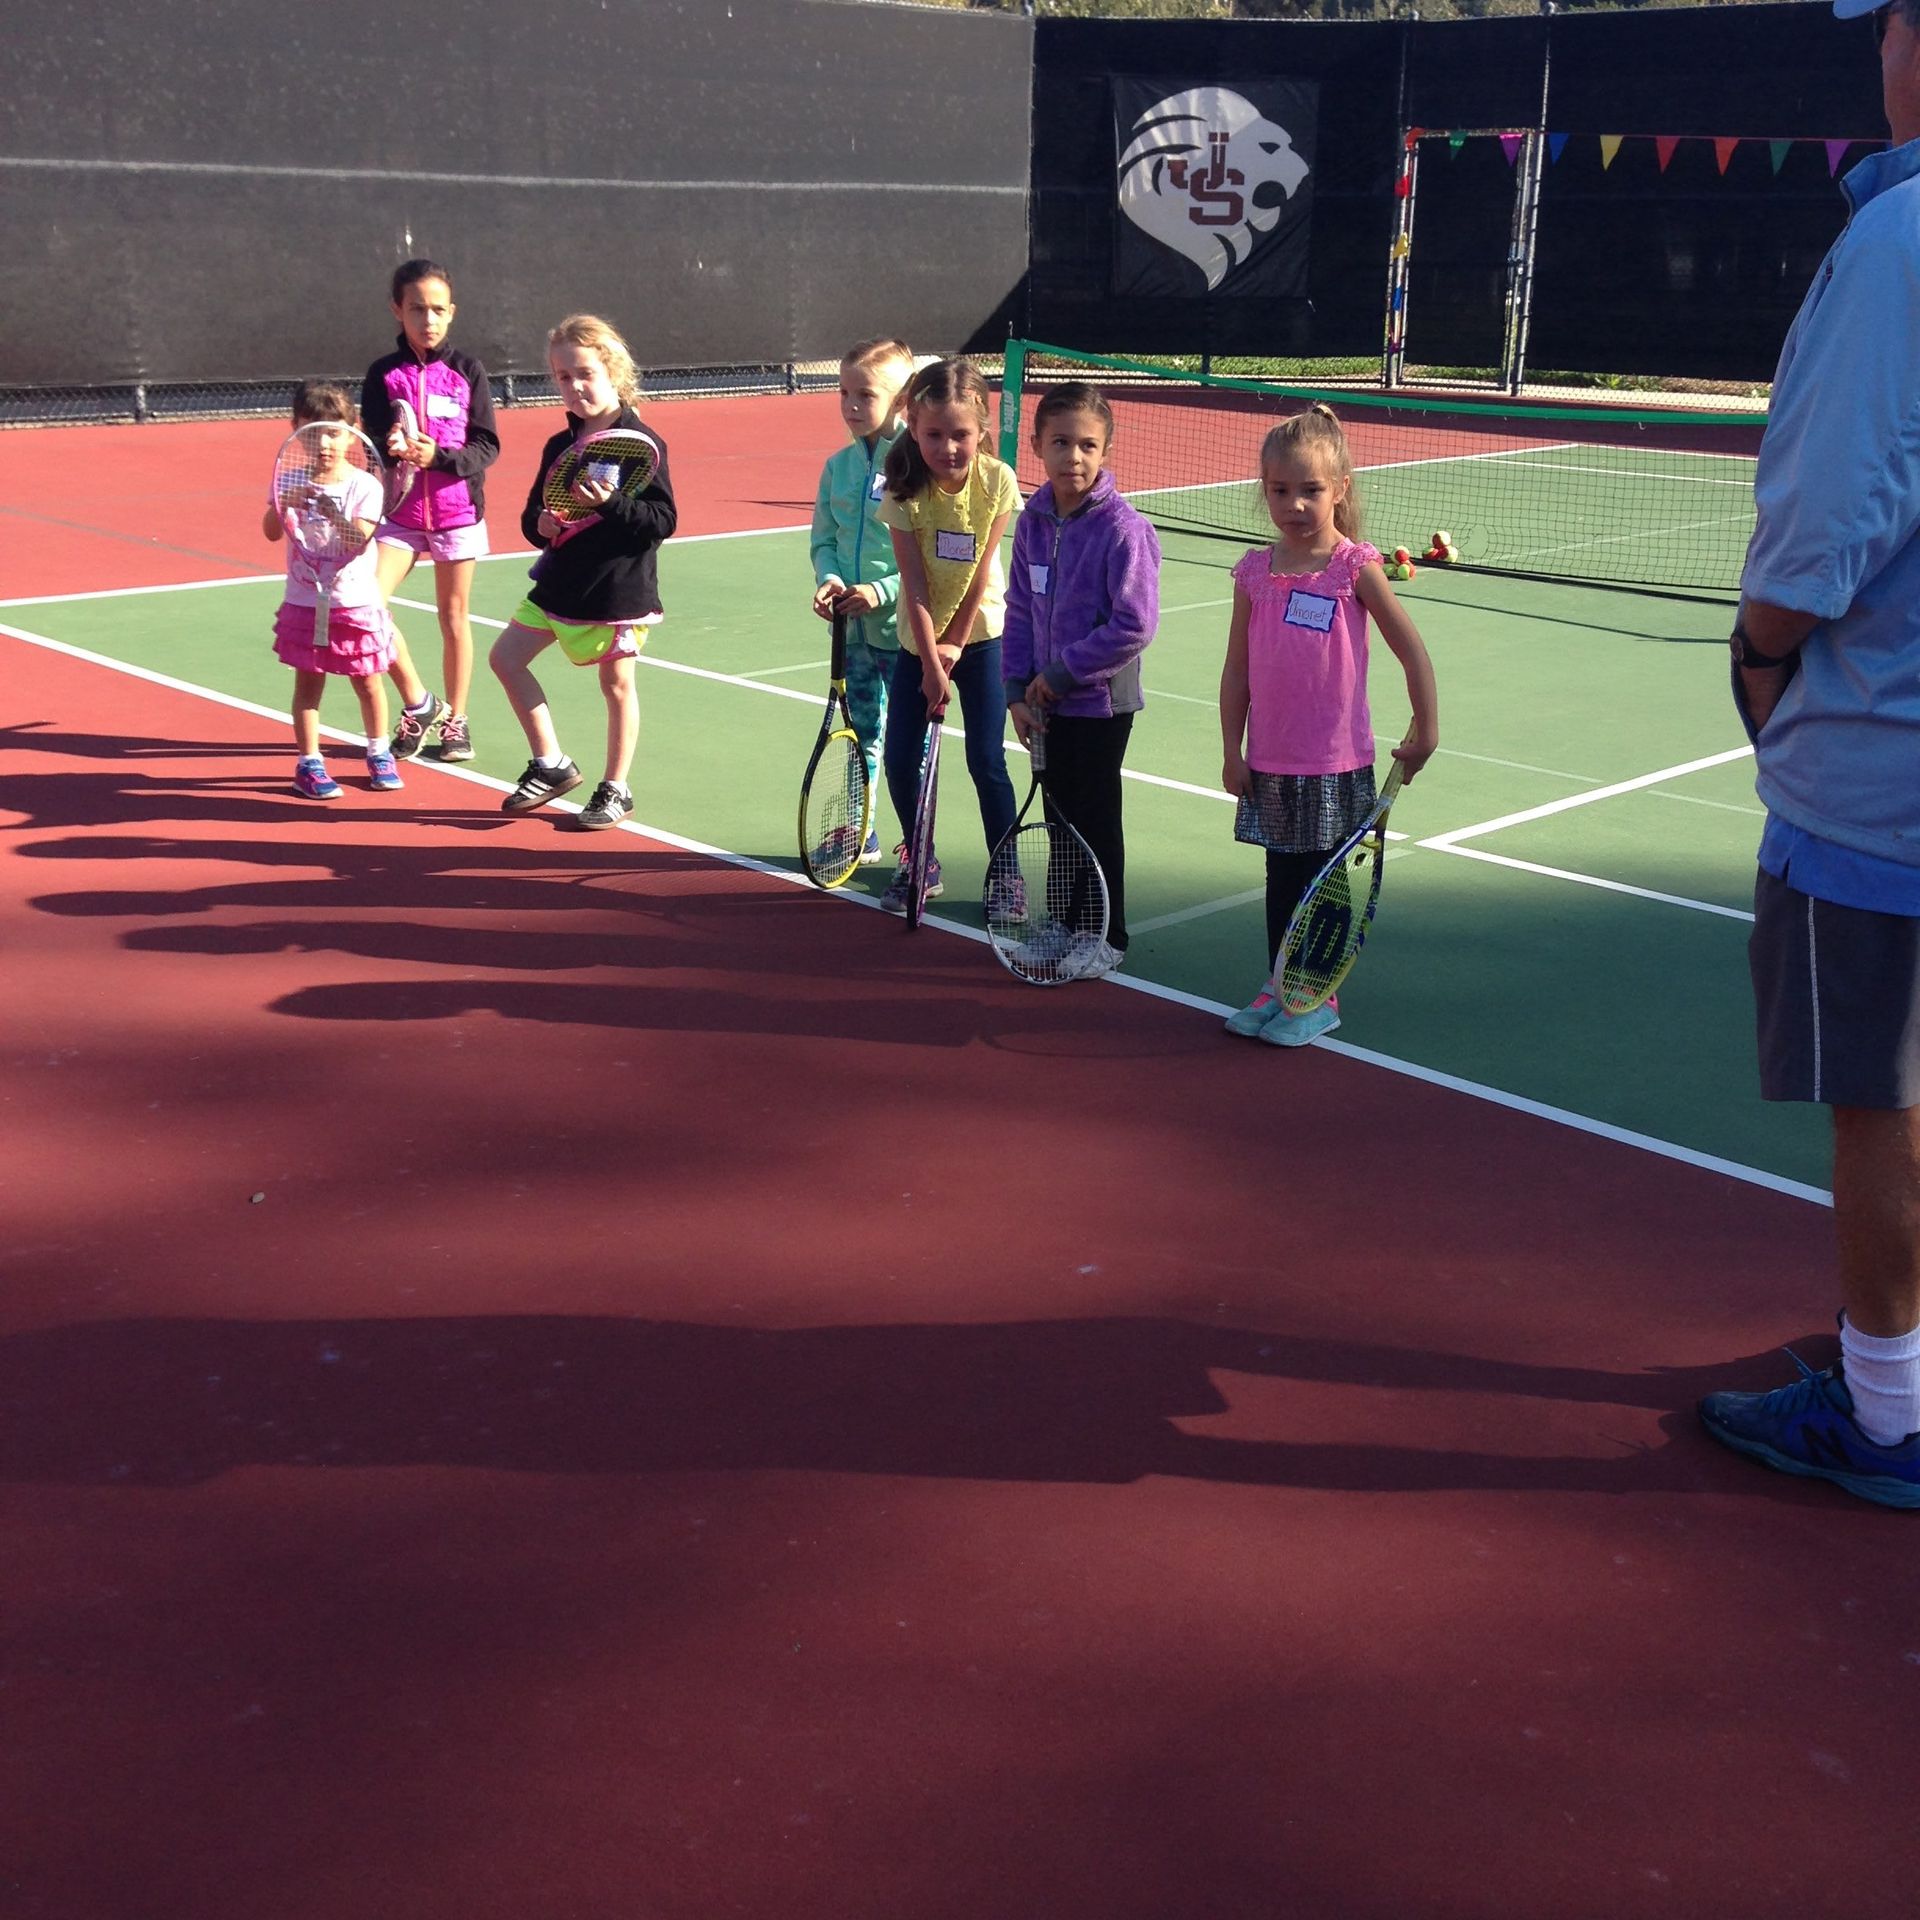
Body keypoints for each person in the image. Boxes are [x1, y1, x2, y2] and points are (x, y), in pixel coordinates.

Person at [1697, 0, 1920, 1510]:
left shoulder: (1901, 251)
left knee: (1881, 1103)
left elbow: (1828, 522)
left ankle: (1889, 1411)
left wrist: (1760, 653)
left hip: (1885, 781)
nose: (1879, 47)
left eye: (1892, 19)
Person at [1218, 404, 1438, 1046]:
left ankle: (1318, 997)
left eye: (1311, 490)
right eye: (1280, 490)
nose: (1295, 504)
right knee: (1281, 879)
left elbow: (1412, 649)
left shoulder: (1353, 567)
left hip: (1336, 763)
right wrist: (1233, 750)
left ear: (1339, 490)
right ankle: (1281, 984)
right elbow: (1237, 671)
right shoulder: (1254, 574)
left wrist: (1426, 730)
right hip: (1271, 763)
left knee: (1323, 884)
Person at [490, 315, 677, 830]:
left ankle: (616, 787)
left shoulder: (642, 443)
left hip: (618, 592)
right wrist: (542, 525)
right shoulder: (559, 445)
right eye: (561, 376)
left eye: (584, 373)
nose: (573, 386)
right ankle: (550, 764)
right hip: (559, 586)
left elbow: (662, 522)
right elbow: (534, 516)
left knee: (617, 684)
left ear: (612, 371)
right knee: (505, 659)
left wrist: (614, 504)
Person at [1001, 381, 1162, 981]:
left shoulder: (1124, 531)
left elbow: (1134, 625)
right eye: (1061, 442)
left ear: (1106, 450)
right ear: (1038, 445)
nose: (1074, 456)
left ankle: (1105, 934)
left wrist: (1063, 673)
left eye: (1088, 445)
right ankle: (1064, 925)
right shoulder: (1034, 524)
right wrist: (1017, 691)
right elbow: (1018, 608)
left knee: (1093, 817)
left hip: (1100, 705)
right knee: (1058, 815)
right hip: (1044, 703)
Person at [874, 358, 1022, 911]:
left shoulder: (997, 481)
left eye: (960, 434)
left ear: (982, 429)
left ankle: (1007, 875)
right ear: (913, 427)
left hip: (981, 638)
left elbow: (983, 570)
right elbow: (912, 584)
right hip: (917, 643)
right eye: (934, 434)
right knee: (898, 757)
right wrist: (931, 665)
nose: (948, 447)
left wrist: (955, 646)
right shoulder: (904, 488)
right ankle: (919, 857)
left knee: (987, 760)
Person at [361, 257, 500, 763]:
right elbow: (371, 439)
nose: (429, 319)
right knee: (365, 602)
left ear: (452, 313)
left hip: (457, 511)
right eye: (417, 308)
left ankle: (456, 721)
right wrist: (391, 443)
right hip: (399, 511)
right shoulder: (383, 373)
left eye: (438, 309)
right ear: (398, 310)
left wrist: (437, 457)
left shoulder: (469, 371)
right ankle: (419, 704)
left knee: (454, 617)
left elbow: (486, 446)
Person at [263, 381, 406, 800]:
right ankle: (309, 764)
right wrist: (284, 501)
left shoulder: (365, 486)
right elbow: (271, 532)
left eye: (333, 431)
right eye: (312, 432)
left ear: (352, 431)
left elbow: (357, 540)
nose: (324, 442)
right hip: (304, 601)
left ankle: (379, 752)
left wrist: (330, 511)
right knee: (308, 686)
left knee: (368, 682)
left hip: (355, 603)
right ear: (296, 432)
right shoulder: (287, 479)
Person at [810, 338, 917, 866]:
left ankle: (919, 842)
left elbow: (928, 555)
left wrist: (882, 590)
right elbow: (824, 539)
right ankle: (859, 830)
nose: (851, 405)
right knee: (859, 733)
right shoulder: (837, 466)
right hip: (849, 632)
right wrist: (829, 579)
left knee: (909, 745)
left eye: (866, 395)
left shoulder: (918, 465)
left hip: (904, 632)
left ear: (901, 400)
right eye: (843, 392)